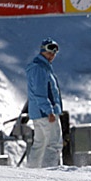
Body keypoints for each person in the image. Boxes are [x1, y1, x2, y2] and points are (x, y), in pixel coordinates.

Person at [25, 38, 63, 168]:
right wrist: (49, 111)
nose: (52, 55)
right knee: (54, 143)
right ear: (42, 50)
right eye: (49, 50)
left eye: (54, 52)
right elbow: (40, 92)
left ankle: (33, 170)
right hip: (45, 112)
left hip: (38, 112)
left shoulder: (41, 67)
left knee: (40, 143)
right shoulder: (40, 69)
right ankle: (49, 170)